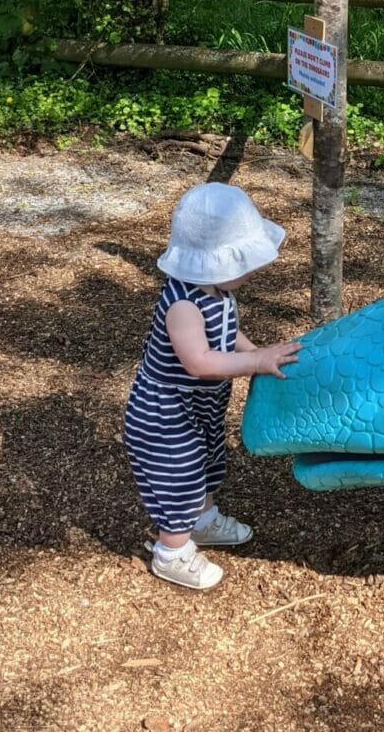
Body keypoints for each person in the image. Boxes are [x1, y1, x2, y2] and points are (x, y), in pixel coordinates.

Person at [123, 182, 301, 590]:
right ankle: (172, 553)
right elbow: (199, 361)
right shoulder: (184, 305)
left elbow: (227, 333)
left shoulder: (216, 292)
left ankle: (201, 523)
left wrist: (256, 352)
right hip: (165, 412)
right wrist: (255, 361)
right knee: (179, 477)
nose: (253, 270)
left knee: (204, 465)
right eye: (244, 261)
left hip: (199, 407)